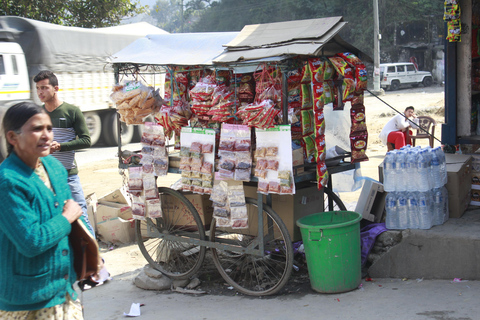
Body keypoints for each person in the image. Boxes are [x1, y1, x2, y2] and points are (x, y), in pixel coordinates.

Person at [0, 102, 86, 318]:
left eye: (49, 128)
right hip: (27, 300)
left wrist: (88, 258)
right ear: (13, 138)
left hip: (63, 290)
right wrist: (67, 218)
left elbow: (72, 226)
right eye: (37, 129)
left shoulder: (55, 168)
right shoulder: (8, 181)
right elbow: (31, 241)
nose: (47, 135)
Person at [34, 70, 94, 235]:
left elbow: (86, 140)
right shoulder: (37, 114)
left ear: (56, 88)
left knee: (81, 214)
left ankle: (94, 256)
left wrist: (60, 146)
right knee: (50, 217)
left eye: (44, 88)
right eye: (38, 88)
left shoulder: (72, 111)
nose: (40, 92)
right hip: (45, 177)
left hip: (69, 175)